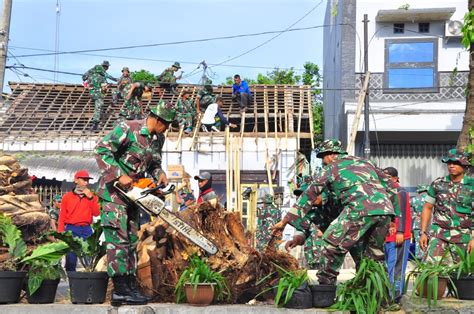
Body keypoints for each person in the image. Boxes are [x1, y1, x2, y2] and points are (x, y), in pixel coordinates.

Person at [274, 139, 397, 285]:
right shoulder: (365, 162)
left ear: (331, 155)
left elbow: (309, 194)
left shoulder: (332, 170)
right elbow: (392, 187)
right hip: (383, 211)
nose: (323, 163)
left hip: (359, 209)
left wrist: (284, 221)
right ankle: (377, 296)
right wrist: (392, 217)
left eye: (323, 158)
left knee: (330, 243)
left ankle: (326, 286)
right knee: (372, 256)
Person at [95, 100, 176, 306]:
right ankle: (120, 290)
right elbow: (102, 150)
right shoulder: (128, 129)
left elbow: (154, 163)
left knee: (130, 241)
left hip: (134, 196)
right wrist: (118, 175)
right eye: (166, 123)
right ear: (157, 119)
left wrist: (160, 174)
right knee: (118, 241)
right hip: (114, 195)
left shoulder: (158, 139)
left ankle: (130, 286)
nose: (167, 128)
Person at [419, 149, 473, 264]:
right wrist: (423, 232)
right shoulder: (438, 184)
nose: (451, 166)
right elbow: (427, 207)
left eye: (456, 163)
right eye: (449, 163)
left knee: (464, 274)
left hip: (464, 237)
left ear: (464, 165)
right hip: (439, 235)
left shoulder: (472, 185)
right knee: (433, 271)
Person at [58, 170, 100, 271]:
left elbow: (96, 213)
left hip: (86, 228)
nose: (86, 182)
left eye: (87, 180)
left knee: (89, 255)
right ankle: (71, 280)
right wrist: (60, 232)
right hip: (72, 228)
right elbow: (62, 215)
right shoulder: (67, 197)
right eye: (84, 180)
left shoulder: (92, 196)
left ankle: (88, 276)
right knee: (71, 257)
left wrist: (91, 198)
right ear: (76, 180)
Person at [383, 166, 411, 302]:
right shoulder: (384, 191)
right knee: (389, 267)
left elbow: (403, 212)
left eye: (388, 177)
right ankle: (389, 295)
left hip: (399, 236)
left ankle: (396, 297)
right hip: (387, 237)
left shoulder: (400, 191)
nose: (385, 179)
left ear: (395, 178)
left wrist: (400, 231)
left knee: (397, 268)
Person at [82, 60, 118, 131]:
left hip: (92, 93)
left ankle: (94, 124)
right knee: (98, 109)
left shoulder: (92, 73)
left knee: (96, 109)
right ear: (106, 67)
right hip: (99, 94)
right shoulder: (102, 77)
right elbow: (105, 86)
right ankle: (95, 125)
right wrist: (113, 82)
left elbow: (84, 78)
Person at [410, 184, 429, 260]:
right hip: (429, 223)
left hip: (418, 224)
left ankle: (420, 260)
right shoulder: (431, 199)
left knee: (419, 243)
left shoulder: (414, 199)